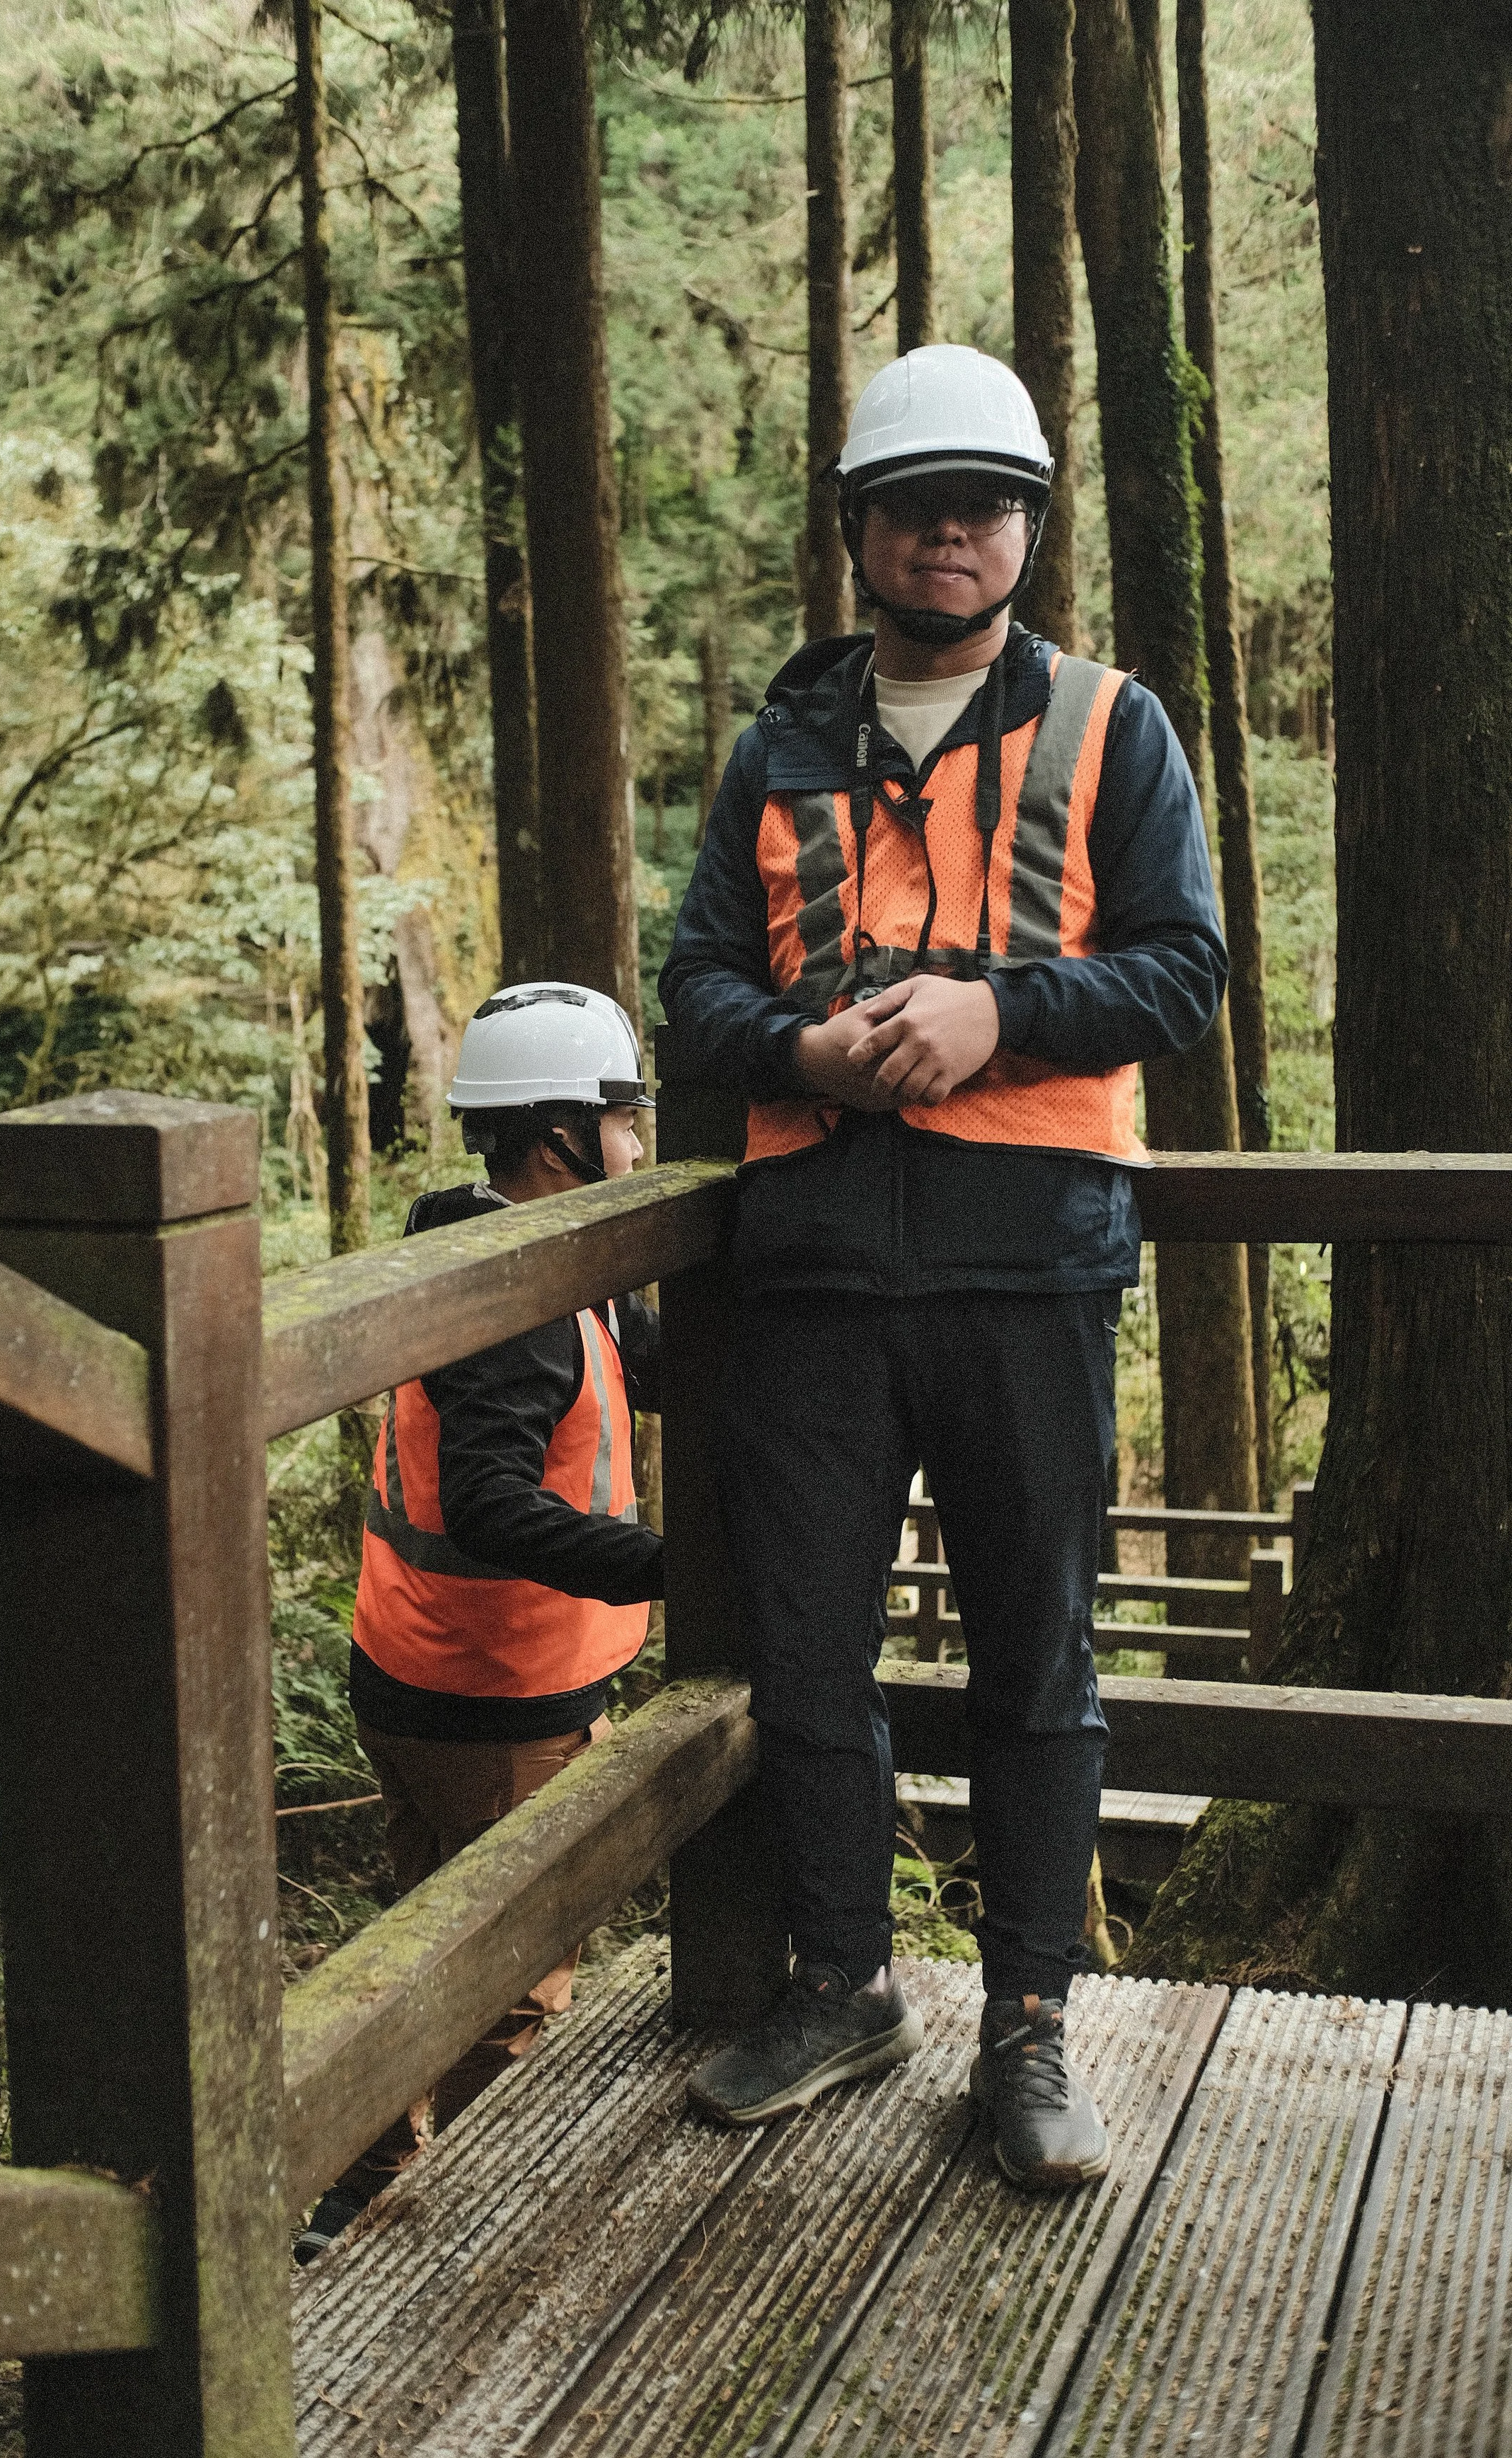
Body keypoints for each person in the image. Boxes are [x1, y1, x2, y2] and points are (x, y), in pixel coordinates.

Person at [659, 344, 1226, 2188]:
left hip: (1026, 1268)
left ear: (1026, 530)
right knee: (808, 1653)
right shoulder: (779, 747)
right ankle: (841, 1978)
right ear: (860, 532)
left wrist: (997, 1017)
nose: (949, 533)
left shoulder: (1108, 727)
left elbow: (1180, 970)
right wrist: (803, 1051)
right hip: (812, 1274)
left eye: (982, 504)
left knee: (1034, 1662)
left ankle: (1031, 2028)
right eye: (915, 505)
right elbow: (694, 988)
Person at [294, 982, 661, 2263]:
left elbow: (646, 1364)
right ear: (556, 1134)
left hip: (422, 1670)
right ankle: (465, 2220)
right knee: (514, 1979)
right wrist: (666, 1566)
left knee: (425, 1937)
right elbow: (498, 1504)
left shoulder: (507, 1248)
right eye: (622, 1118)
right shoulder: (517, 1314)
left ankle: (357, 2184)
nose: (637, 1141)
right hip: (489, 1697)